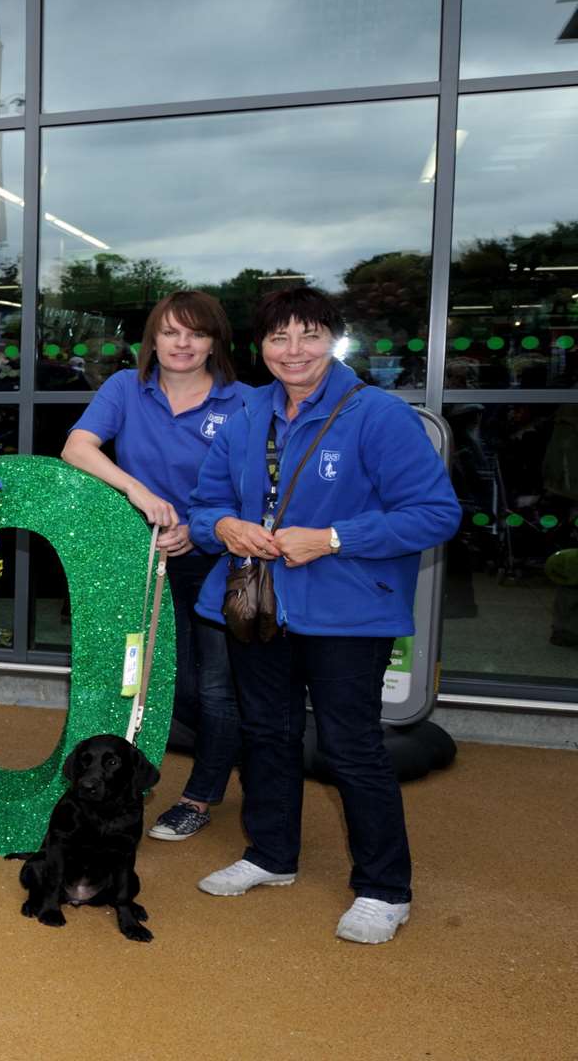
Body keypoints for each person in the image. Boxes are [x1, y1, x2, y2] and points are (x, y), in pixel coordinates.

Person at [188, 287, 458, 945]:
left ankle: (384, 888)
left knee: (350, 747)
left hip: (349, 613)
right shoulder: (248, 414)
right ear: (261, 348)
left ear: (332, 340)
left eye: (309, 335)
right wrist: (226, 525)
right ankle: (271, 855)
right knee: (267, 733)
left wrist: (333, 538)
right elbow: (204, 509)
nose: (293, 351)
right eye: (279, 339)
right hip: (260, 604)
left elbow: (435, 514)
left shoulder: (377, 415)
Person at [61, 291, 245, 841]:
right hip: (144, 559)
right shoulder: (125, 388)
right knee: (154, 677)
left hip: (217, 559)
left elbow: (258, 486)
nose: (182, 344)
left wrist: (202, 526)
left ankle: (199, 795)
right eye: (170, 332)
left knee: (212, 684)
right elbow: (77, 448)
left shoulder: (244, 402)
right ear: (153, 340)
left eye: (195, 333)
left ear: (215, 341)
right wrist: (138, 491)